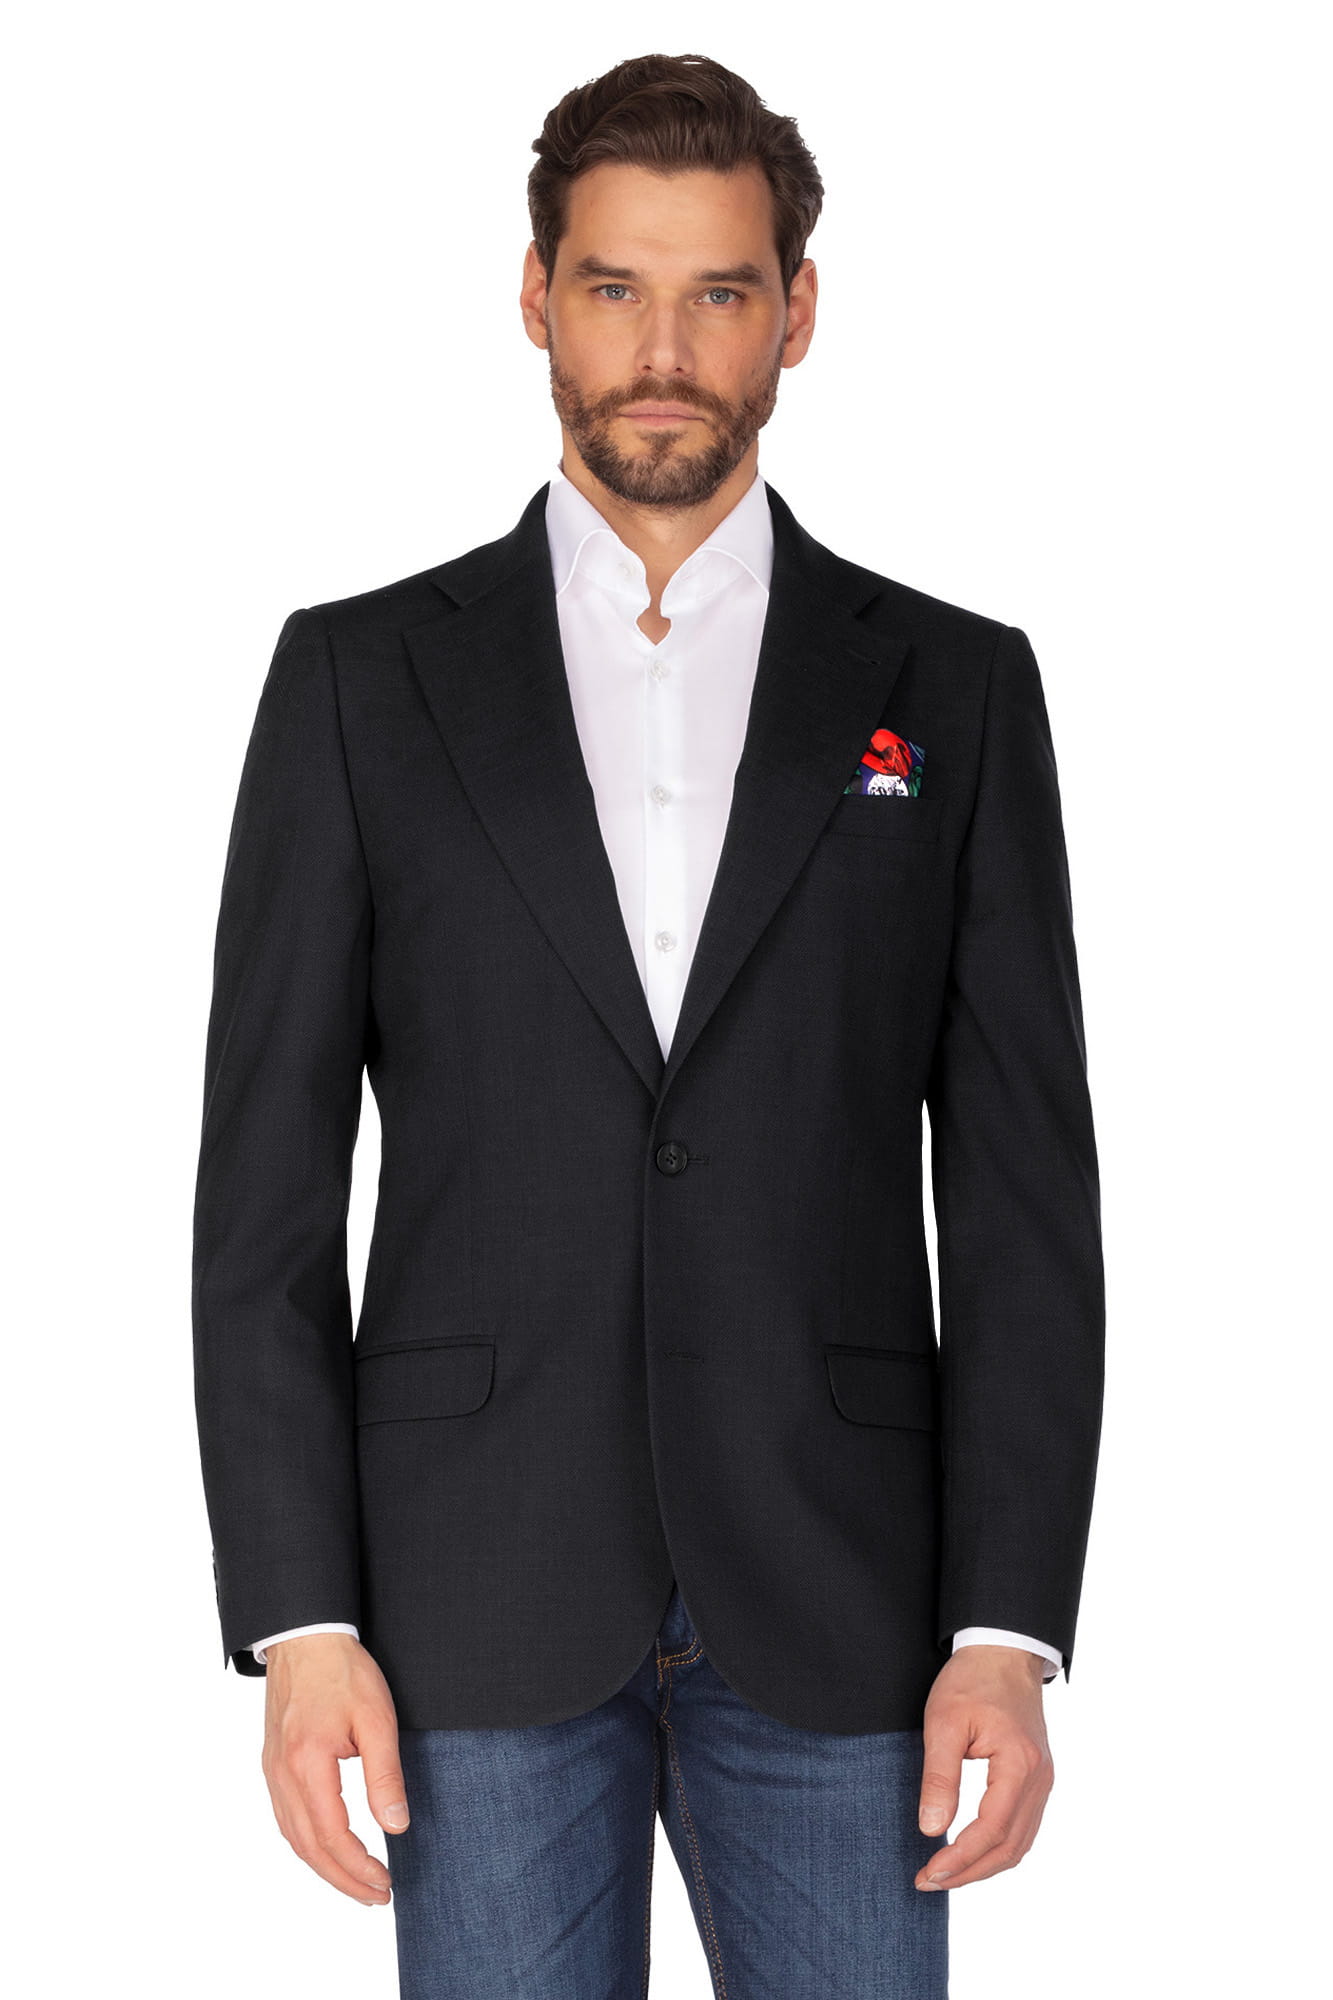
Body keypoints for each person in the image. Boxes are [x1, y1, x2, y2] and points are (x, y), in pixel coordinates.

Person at [192, 50, 1104, 2000]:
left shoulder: (954, 690)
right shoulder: (359, 682)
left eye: (717, 293)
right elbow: (262, 1199)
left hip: (849, 1603)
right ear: (535, 297)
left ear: (797, 312)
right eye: (613, 287)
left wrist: (1005, 1626)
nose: (663, 351)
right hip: (470, 1599)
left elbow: (1024, 1197)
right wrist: (299, 1618)